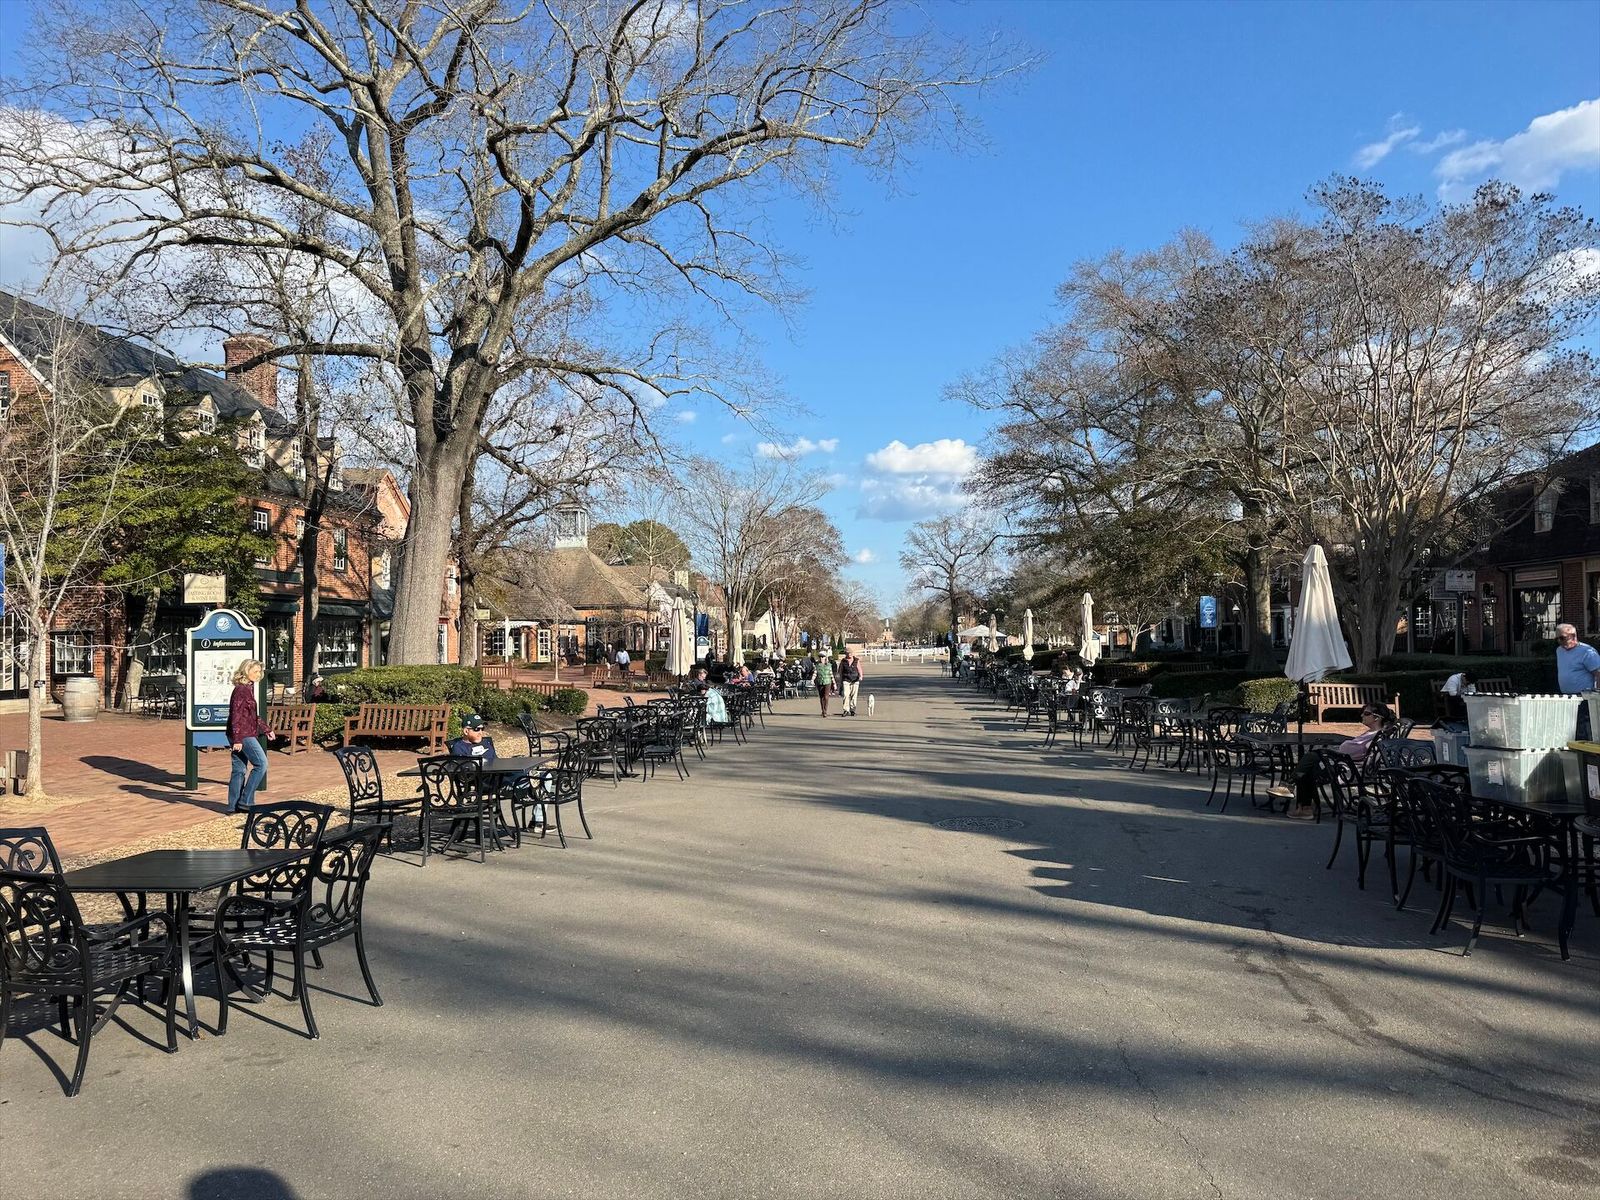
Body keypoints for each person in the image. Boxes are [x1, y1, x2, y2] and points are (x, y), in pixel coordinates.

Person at [1269, 702, 1397, 810]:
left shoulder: (1375, 736)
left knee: (1310, 760)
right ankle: (1300, 802)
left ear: (1377, 718)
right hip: (1347, 766)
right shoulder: (1373, 734)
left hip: (1349, 771)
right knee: (1309, 763)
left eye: (1366, 713)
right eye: (1363, 712)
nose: (1362, 715)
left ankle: (1295, 795)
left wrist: (1335, 752)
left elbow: (1351, 751)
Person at [226, 659, 277, 813]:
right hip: (243, 735)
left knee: (239, 769)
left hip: (240, 733)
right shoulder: (241, 690)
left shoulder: (247, 688)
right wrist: (237, 739)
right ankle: (246, 801)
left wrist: (266, 729)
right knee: (261, 764)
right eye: (255, 671)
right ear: (246, 671)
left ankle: (233, 806)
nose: (258, 674)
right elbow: (236, 715)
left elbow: (252, 715)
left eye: (259, 671)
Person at [1555, 623, 1600, 739]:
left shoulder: (1587, 652)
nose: (1559, 641)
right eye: (1557, 639)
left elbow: (1598, 673)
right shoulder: (1559, 651)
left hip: (1584, 697)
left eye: (1562, 638)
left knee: (1584, 727)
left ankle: (1588, 749)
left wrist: (1597, 695)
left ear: (1573, 635)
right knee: (1570, 727)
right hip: (1566, 696)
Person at [839, 652, 863, 716]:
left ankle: (853, 710)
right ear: (846, 654)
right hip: (846, 680)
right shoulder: (843, 661)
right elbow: (840, 671)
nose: (849, 654)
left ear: (852, 654)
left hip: (855, 680)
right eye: (848, 653)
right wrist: (840, 679)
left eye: (850, 653)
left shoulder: (856, 660)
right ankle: (846, 710)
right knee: (846, 695)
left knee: (854, 696)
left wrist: (861, 676)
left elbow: (859, 669)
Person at [814, 651, 835, 717]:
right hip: (820, 682)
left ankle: (825, 711)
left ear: (825, 657)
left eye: (822, 657)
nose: (821, 658)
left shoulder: (829, 665)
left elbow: (831, 674)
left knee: (826, 697)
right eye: (820, 657)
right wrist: (812, 680)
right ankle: (823, 710)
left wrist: (834, 683)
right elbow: (815, 673)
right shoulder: (817, 665)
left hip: (827, 682)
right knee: (821, 697)